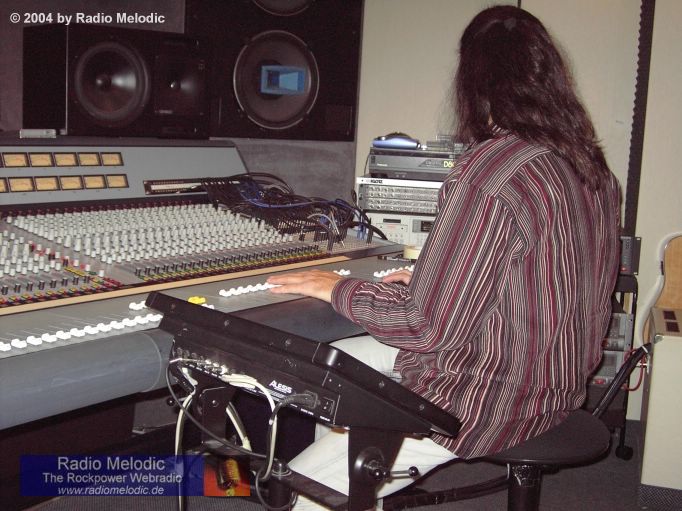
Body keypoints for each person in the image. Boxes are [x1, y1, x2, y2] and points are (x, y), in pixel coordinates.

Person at [266, 4, 621, 509]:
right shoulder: (592, 170)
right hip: (555, 384)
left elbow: (426, 328)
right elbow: (536, 279)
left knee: (298, 494)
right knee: (334, 371)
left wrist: (337, 287)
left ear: (472, 81)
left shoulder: (489, 172)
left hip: (490, 395)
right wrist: (427, 280)